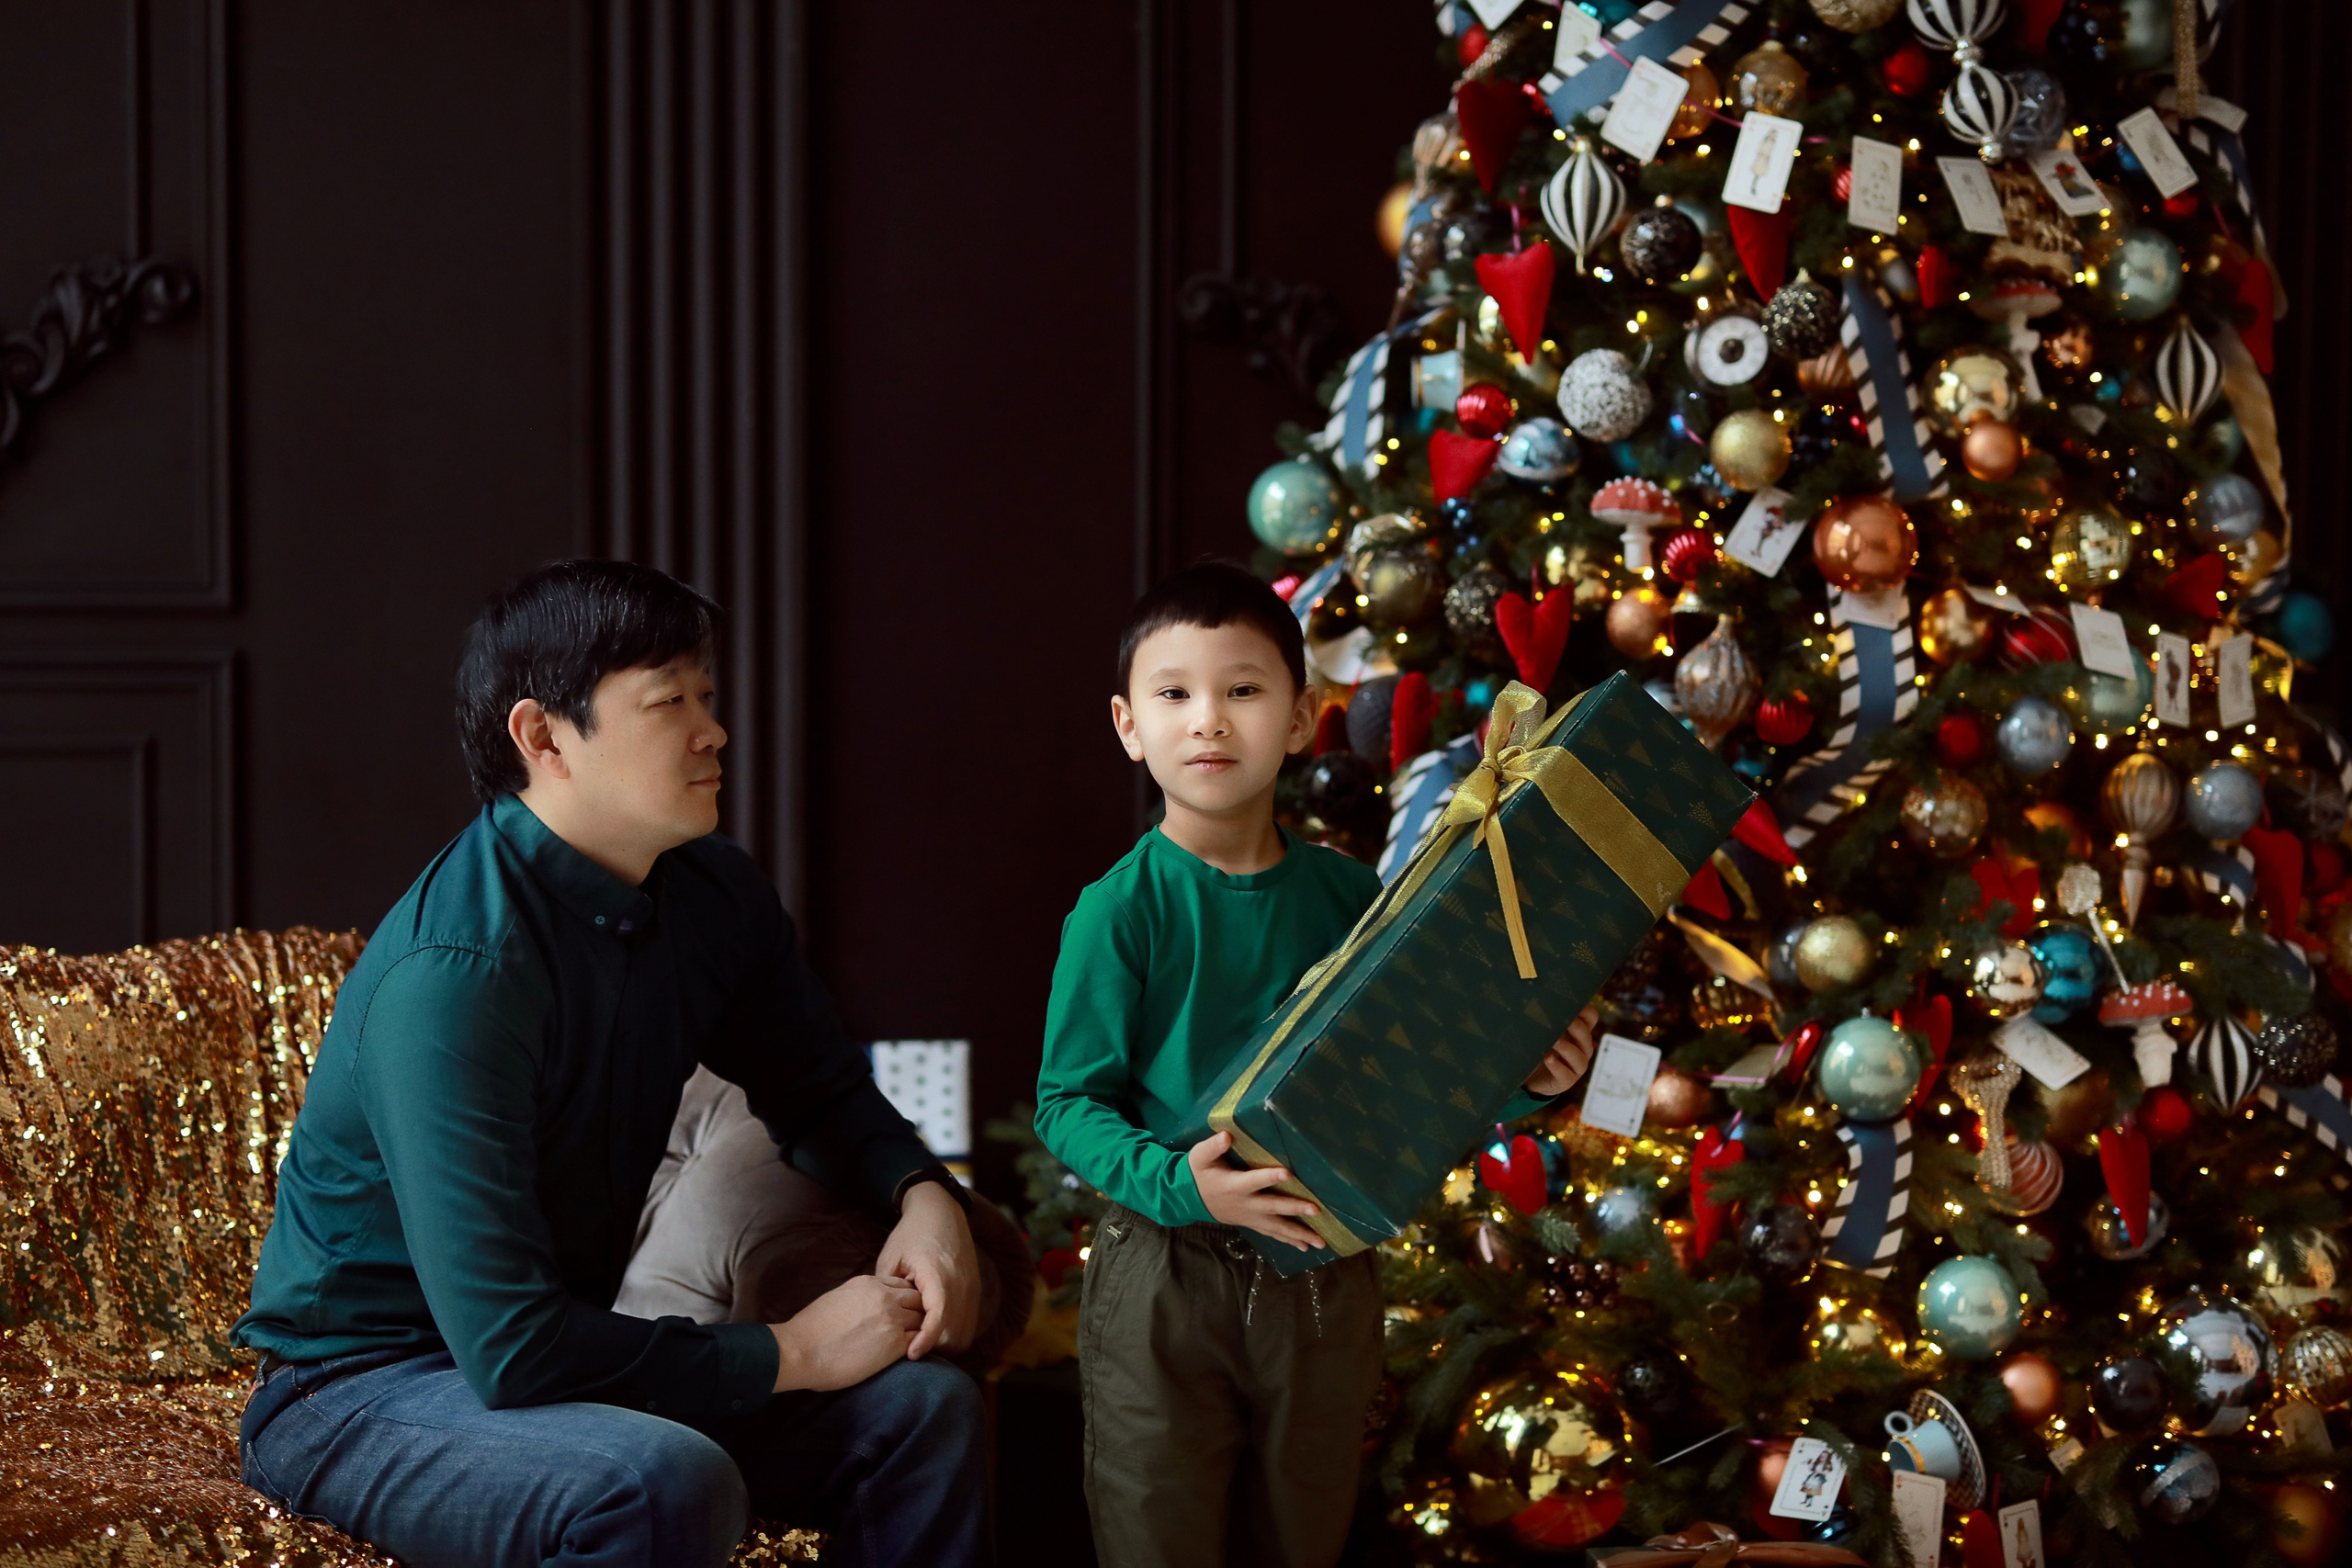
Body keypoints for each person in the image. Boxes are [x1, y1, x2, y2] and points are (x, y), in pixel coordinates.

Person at [232, 559, 987, 1568]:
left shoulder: (710, 892)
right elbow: (508, 1347)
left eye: (706, 695)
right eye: (668, 702)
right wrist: (794, 1353)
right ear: (543, 738)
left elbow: (821, 1090)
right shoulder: (453, 975)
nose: (712, 729)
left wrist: (924, 1196)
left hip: (552, 1364)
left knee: (925, 1410)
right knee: (658, 1478)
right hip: (360, 1391)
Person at [1035, 562, 1596, 1568]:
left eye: (1242, 690)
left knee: (1306, 1528)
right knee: (1156, 1524)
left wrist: (1533, 1079)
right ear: (1128, 726)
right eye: (1174, 695)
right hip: (1167, 1267)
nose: (1207, 720)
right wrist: (1180, 1184)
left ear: (1300, 720)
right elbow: (1068, 1104)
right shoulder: (1120, 910)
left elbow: (1416, 1066)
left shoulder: (1348, 897)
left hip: (1322, 1262)